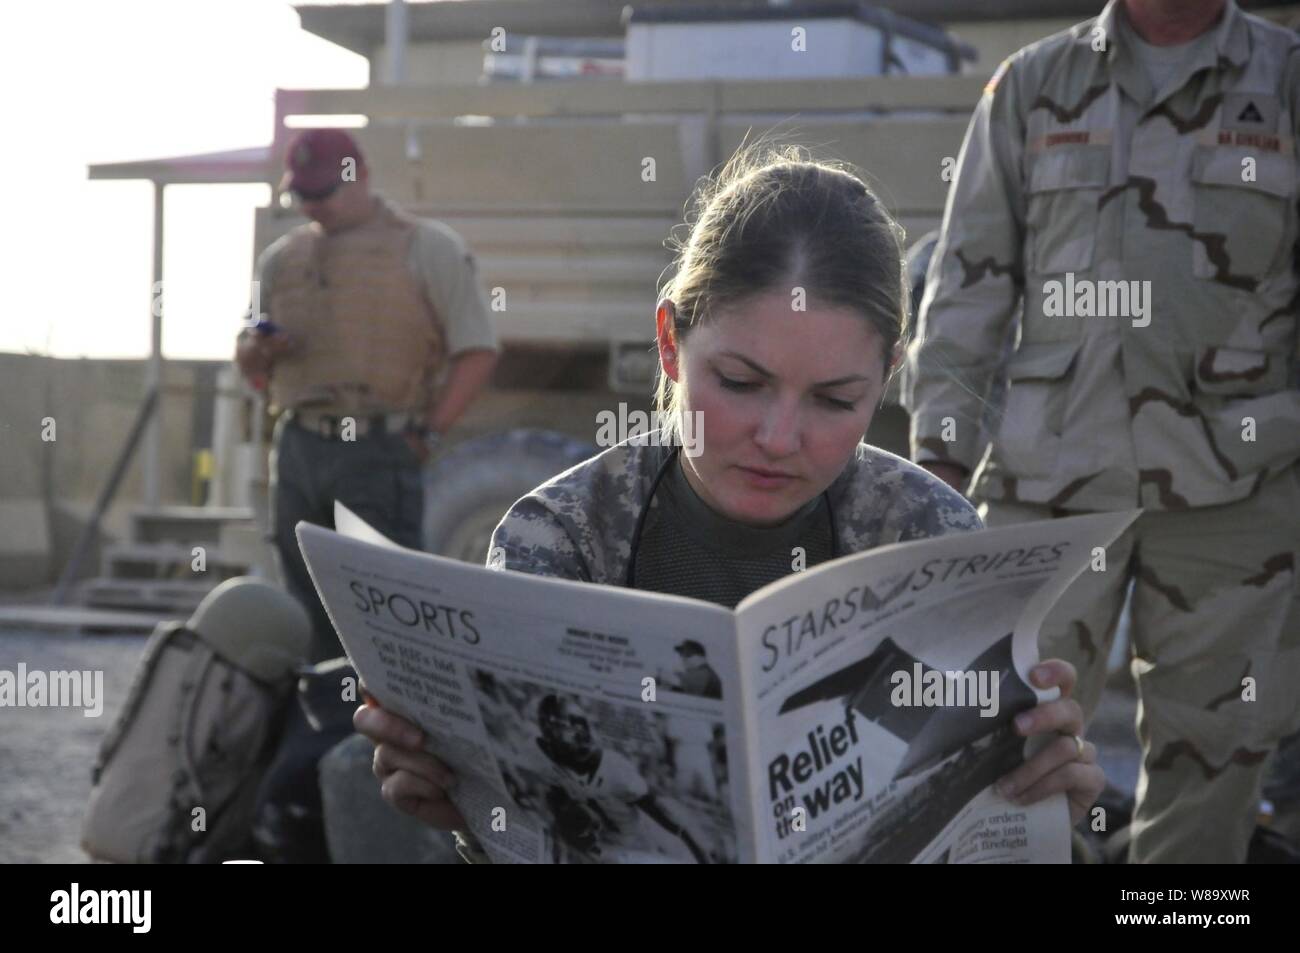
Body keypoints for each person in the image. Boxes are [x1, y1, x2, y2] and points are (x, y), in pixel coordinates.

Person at [354, 145, 1107, 863]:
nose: (779, 438)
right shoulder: (559, 537)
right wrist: (466, 808)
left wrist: (1036, 804)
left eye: (835, 399)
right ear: (670, 343)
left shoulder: (928, 536)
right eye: (741, 383)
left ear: (887, 378)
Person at [904, 0, 1300, 862]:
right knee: (1004, 742)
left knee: (1218, 758)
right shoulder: (1035, 84)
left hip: (1236, 494)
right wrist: (932, 475)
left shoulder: (1288, 81)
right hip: (1047, 481)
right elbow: (968, 287)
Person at [234, 128, 499, 662]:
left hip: (378, 449)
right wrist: (260, 350)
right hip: (298, 446)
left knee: (389, 606)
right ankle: (327, 724)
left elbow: (477, 350)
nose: (312, 206)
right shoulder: (282, 258)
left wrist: (424, 435)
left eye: (323, 192)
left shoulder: (427, 247)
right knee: (306, 604)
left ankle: (394, 733)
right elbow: (249, 363)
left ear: (359, 178)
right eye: (301, 195)